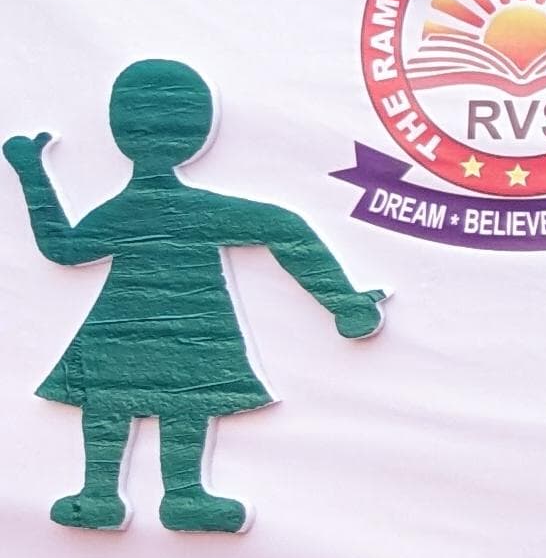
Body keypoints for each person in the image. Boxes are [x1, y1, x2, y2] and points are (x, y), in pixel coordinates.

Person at [6, 58, 384, 533]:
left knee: (119, 401)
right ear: (199, 130)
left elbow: (64, 247)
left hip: (126, 329)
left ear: (118, 131)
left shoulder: (123, 211)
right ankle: (161, 495)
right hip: (187, 329)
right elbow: (285, 229)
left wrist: (30, 172)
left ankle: (108, 493)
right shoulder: (199, 210)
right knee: (177, 399)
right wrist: (343, 301)